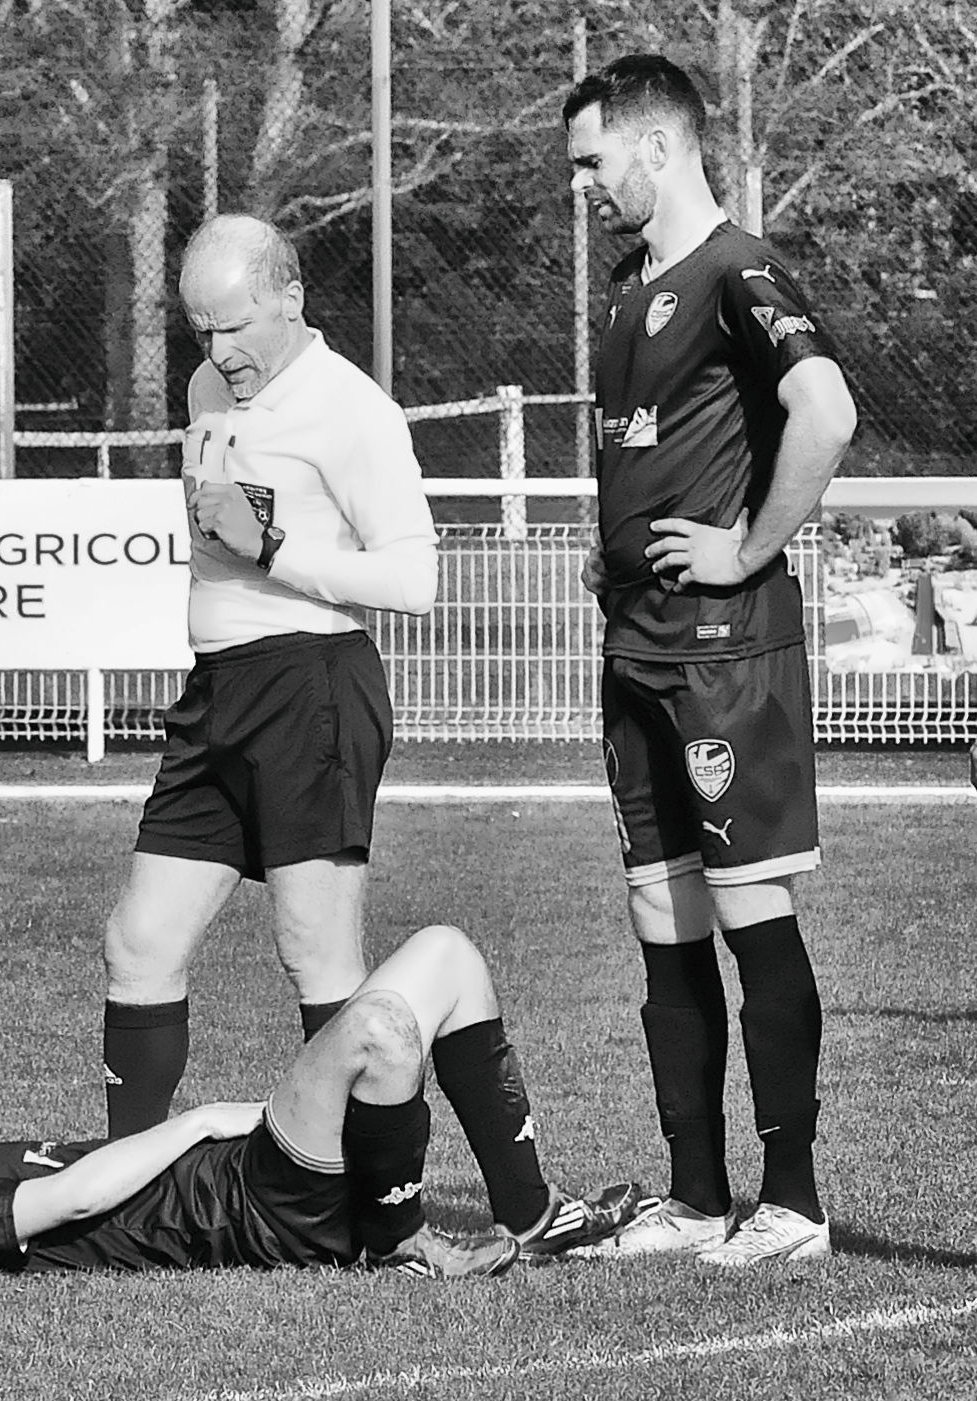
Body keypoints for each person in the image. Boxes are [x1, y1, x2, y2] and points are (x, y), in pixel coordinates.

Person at [562, 56, 857, 1266]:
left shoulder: (739, 269)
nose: (579, 187)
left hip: (722, 657)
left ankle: (790, 1206)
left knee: (747, 913)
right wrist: (612, 548)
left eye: (590, 162)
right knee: (661, 921)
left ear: (655, 146)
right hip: (634, 647)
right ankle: (694, 1201)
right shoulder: (631, 292)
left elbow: (826, 410)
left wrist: (744, 550)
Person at [0, 922, 641, 1274]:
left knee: (449, 954)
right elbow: (70, 1197)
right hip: (247, 1203)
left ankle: (531, 1214)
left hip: (244, 1177)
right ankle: (399, 1241)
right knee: (379, 1031)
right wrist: (198, 1121)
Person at [102, 213, 435, 1135]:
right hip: (216, 691)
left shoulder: (354, 408)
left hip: (313, 683)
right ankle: (128, 1180)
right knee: (138, 941)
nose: (218, 349)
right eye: (200, 328)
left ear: (290, 299)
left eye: (235, 324)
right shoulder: (207, 383)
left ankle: (346, 1190)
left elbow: (415, 579)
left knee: (314, 952)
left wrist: (275, 547)